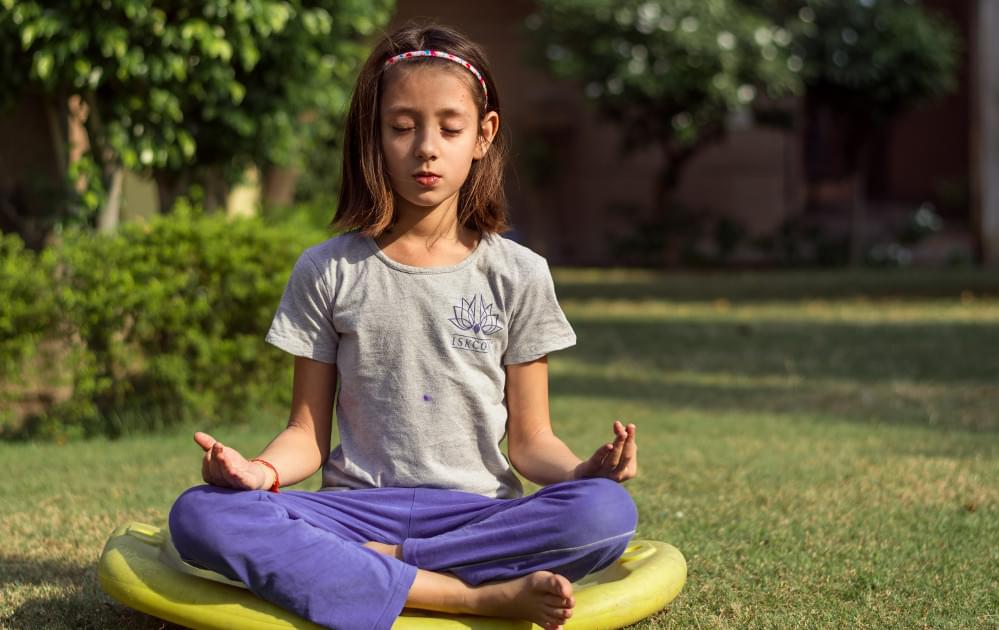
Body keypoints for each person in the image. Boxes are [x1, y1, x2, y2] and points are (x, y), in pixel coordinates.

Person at [168, 21, 639, 630]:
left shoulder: (519, 273)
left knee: (605, 512)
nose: (426, 147)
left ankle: (378, 570)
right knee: (203, 514)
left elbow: (529, 443)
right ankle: (471, 596)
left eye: (449, 127)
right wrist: (257, 473)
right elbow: (305, 438)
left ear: (483, 135)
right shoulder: (327, 269)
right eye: (401, 127)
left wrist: (583, 472)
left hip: (476, 514)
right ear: (375, 135)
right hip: (352, 512)